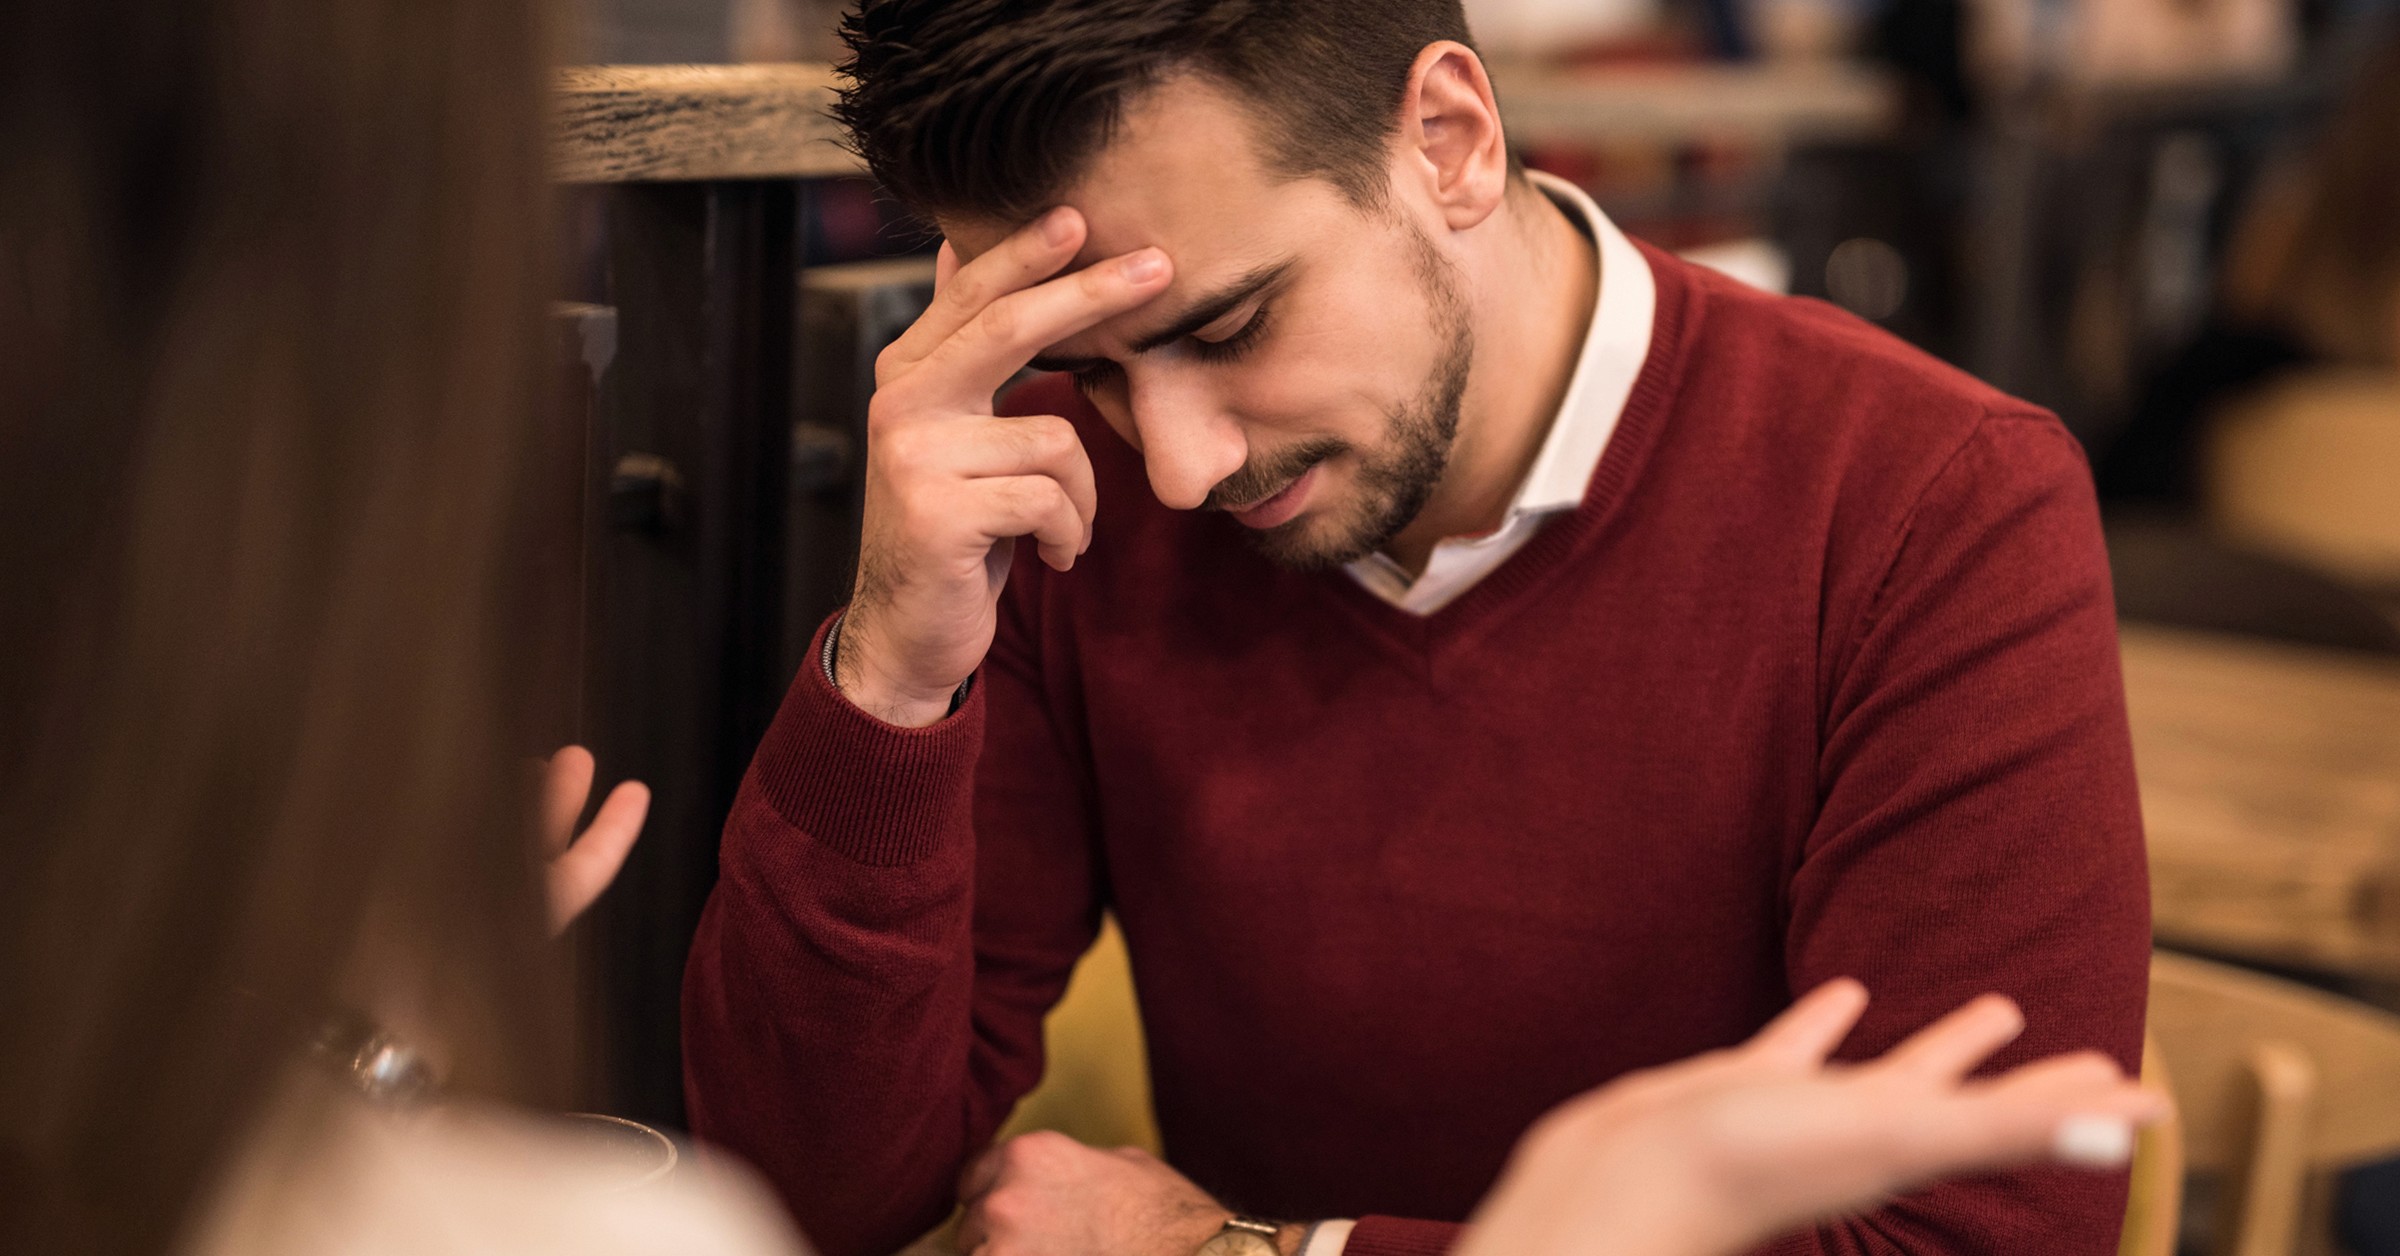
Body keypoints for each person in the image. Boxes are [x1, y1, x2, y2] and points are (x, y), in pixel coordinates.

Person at [680, 2, 2153, 1255]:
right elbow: (805, 1205)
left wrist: (1255, 1255)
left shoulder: (1932, 501)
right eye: (1097, 368)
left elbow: (1974, 1238)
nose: (1181, 467)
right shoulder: (1061, 492)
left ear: (1449, 142)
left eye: (1230, 326)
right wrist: (888, 676)